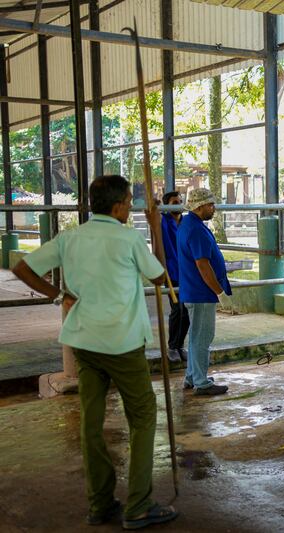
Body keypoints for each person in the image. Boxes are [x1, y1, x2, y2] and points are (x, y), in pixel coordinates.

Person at [11, 175, 178, 529]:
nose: (131, 207)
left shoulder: (71, 238)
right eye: (130, 201)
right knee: (144, 417)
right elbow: (160, 277)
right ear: (118, 206)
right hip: (122, 343)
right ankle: (138, 504)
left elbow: (21, 267)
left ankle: (100, 503)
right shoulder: (129, 238)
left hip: (84, 342)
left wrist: (59, 296)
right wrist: (155, 228)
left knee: (91, 423)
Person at [177, 188, 231, 396]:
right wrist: (219, 291)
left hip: (194, 290)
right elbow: (203, 265)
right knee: (202, 337)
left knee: (196, 336)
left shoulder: (189, 224)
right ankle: (201, 382)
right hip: (201, 291)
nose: (213, 208)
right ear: (199, 207)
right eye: (210, 205)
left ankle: (192, 376)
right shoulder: (196, 229)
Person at [161, 191, 188, 363]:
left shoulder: (185, 221)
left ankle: (179, 345)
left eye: (180, 201)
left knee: (187, 310)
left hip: (187, 271)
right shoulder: (163, 221)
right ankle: (172, 346)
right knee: (177, 308)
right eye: (174, 202)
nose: (178, 204)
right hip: (171, 271)